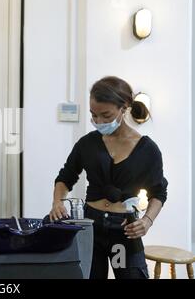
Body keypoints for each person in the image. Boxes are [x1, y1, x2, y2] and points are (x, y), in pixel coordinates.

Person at [49, 76, 168, 279]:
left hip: (124, 228)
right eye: (93, 115)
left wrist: (147, 221)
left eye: (105, 115)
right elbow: (65, 177)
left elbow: (159, 192)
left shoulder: (148, 149)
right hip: (90, 226)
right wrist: (57, 202)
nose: (98, 122)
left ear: (124, 108)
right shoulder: (87, 144)